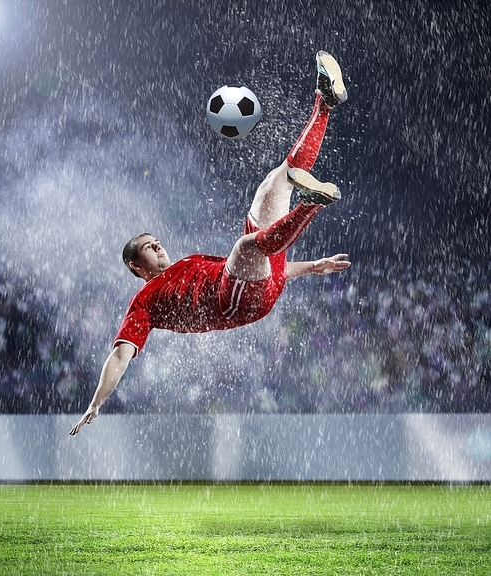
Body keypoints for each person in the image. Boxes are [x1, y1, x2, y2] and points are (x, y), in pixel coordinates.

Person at [70, 51, 351, 436]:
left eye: (157, 241)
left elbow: (263, 269)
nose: (159, 247)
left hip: (261, 280)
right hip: (236, 303)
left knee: (277, 180)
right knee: (245, 247)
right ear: (137, 267)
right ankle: (310, 205)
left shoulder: (189, 263)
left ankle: (325, 104)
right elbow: (120, 355)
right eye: (150, 248)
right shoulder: (145, 302)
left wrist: (312, 266)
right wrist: (96, 402)